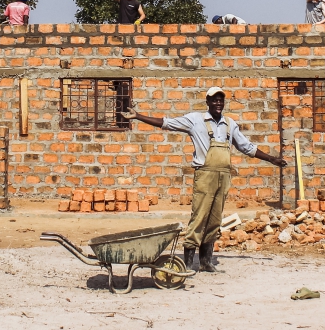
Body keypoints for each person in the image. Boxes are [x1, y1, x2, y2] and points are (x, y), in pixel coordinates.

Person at [119, 87, 287, 272]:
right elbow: (165, 123)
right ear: (207, 102)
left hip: (223, 176)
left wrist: (272, 159)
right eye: (214, 100)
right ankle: (189, 263)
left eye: (221, 100)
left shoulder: (230, 124)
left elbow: (246, 147)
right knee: (199, 217)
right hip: (205, 175)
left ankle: (206, 262)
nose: (218, 103)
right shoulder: (195, 120)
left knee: (215, 219)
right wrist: (138, 116)